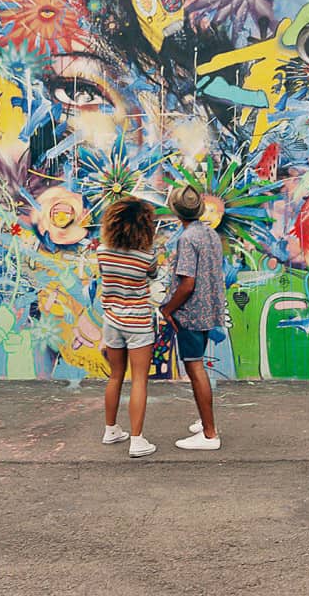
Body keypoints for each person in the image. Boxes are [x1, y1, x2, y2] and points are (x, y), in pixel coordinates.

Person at [160, 185, 224, 450]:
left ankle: (210, 434)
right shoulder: (210, 234)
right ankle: (205, 421)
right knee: (198, 368)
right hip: (208, 310)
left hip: (191, 313)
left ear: (177, 212)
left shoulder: (187, 239)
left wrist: (168, 309)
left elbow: (187, 283)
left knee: (195, 369)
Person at [96, 197, 160, 458]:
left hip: (112, 321)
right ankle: (137, 440)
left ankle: (111, 429)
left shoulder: (102, 252)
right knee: (139, 381)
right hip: (138, 323)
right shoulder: (146, 256)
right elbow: (154, 275)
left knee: (115, 377)